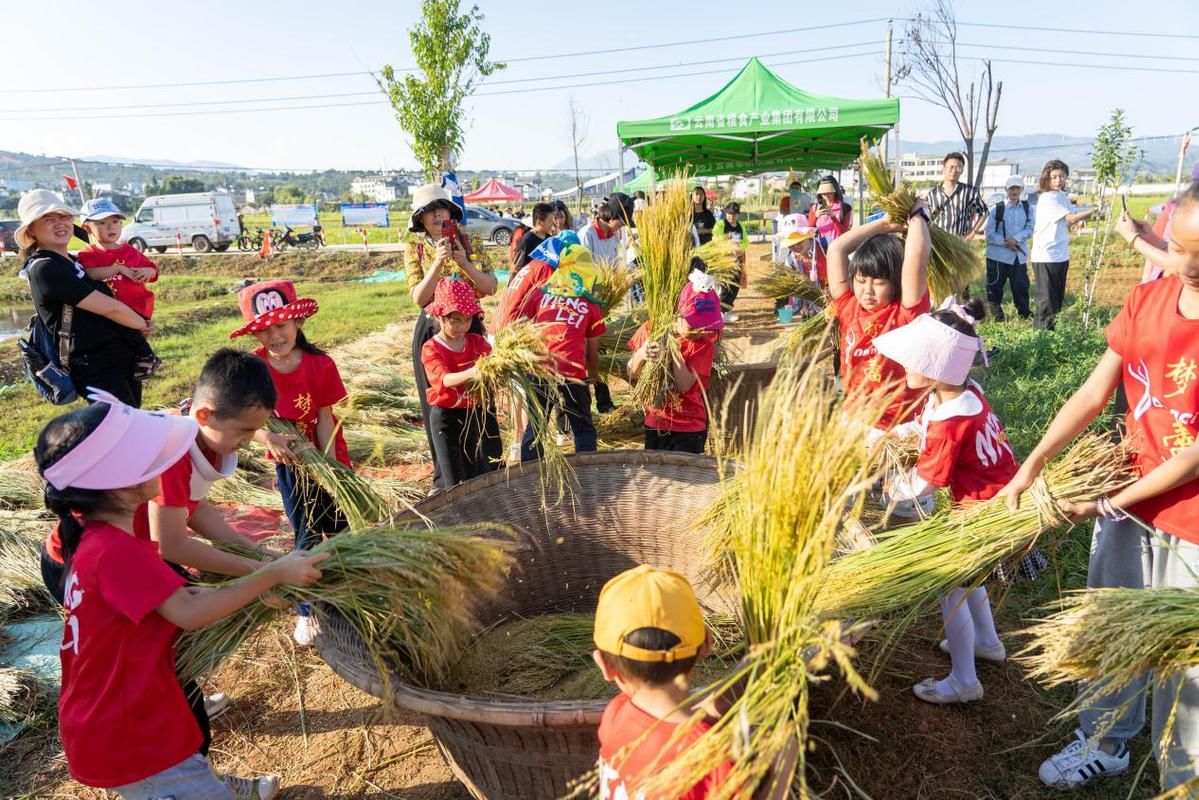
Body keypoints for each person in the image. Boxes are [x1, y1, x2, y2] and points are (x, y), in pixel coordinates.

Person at [1000, 180, 1199, 793]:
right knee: (1110, 621)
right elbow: (1094, 392)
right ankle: (1108, 741)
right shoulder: (1149, 299)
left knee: (1180, 658)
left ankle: (1182, 776)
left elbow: (1192, 456)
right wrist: (1032, 462)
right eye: (1180, 246)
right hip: (1126, 495)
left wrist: (1102, 502)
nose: (1188, 266)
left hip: (1188, 524)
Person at [39, 397, 327, 800]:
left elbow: (180, 597)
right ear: (120, 480)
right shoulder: (113, 551)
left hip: (130, 722)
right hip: (133, 740)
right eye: (149, 455)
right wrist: (271, 574)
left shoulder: (103, 540)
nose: (164, 459)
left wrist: (260, 583)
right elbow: (189, 612)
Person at [873, 298, 1018, 704]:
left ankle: (964, 680)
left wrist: (888, 488)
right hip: (992, 505)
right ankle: (987, 642)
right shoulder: (964, 392)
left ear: (938, 367)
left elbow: (925, 483)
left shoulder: (952, 419)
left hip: (980, 514)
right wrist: (891, 435)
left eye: (913, 361)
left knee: (949, 588)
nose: (905, 368)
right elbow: (924, 426)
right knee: (972, 582)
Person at [231, 280, 350, 646]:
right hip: (290, 466)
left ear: (297, 322)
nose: (275, 335)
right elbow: (244, 423)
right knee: (306, 534)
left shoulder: (320, 364)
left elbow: (326, 418)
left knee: (343, 528)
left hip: (328, 458)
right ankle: (308, 611)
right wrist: (269, 438)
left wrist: (331, 471)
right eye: (265, 329)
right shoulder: (254, 368)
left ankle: (352, 592)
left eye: (281, 325)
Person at [592, 564, 732, 799]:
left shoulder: (614, 716)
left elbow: (663, 727)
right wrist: (783, 761)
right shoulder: (711, 756)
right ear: (707, 643)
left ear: (605, 665)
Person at [17, 190, 156, 406]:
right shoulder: (46, 269)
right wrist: (142, 323)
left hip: (119, 354)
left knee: (132, 419)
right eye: (48, 219)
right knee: (121, 428)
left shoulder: (76, 263)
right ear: (32, 230)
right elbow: (110, 308)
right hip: (94, 364)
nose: (59, 224)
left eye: (63, 217)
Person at [406, 184, 498, 485]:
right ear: (420, 220)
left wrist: (462, 261)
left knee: (479, 392)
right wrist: (436, 261)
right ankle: (445, 473)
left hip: (469, 326)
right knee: (440, 400)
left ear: (450, 213)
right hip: (433, 329)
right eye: (428, 212)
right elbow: (419, 297)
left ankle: (486, 463)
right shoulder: (415, 248)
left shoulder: (469, 242)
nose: (436, 215)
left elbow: (490, 286)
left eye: (441, 209)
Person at [827, 204, 932, 432]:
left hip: (901, 428)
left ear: (896, 283)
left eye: (879, 283)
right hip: (855, 421)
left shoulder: (906, 313)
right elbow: (836, 250)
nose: (868, 291)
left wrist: (917, 217)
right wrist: (884, 224)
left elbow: (916, 258)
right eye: (861, 280)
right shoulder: (848, 306)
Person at [516, 245, 605, 460]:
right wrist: (594, 377)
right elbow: (593, 352)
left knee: (536, 427)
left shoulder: (539, 294)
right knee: (583, 428)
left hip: (538, 369)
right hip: (572, 374)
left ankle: (529, 476)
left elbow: (522, 326)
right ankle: (588, 474)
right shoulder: (590, 306)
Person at [627, 270, 723, 453]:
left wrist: (673, 350)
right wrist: (641, 354)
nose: (700, 330)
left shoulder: (703, 344)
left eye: (705, 326)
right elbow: (631, 373)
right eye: (694, 325)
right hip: (655, 422)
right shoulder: (650, 330)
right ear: (679, 313)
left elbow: (684, 385)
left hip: (689, 427)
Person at [420, 278, 502, 488]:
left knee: (477, 470)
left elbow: (493, 363)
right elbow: (444, 380)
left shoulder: (475, 342)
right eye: (455, 320)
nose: (462, 326)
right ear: (440, 316)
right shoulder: (431, 348)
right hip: (446, 419)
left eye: (467, 320)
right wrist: (475, 371)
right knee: (453, 480)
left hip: (473, 414)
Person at [1030, 159, 1095, 330]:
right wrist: (1095, 211)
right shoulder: (1047, 198)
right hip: (1045, 256)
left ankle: (1052, 335)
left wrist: (1079, 222)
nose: (1058, 180)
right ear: (1047, 178)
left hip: (1060, 255)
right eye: (1054, 177)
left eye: (1062, 176)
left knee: (1057, 300)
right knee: (1046, 301)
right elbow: (1072, 218)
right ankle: (1041, 338)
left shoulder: (1061, 196)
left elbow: (1072, 218)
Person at [983, 176, 1034, 320]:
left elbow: (1030, 228)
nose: (1014, 191)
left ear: (1022, 189)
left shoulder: (1027, 208)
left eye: (1017, 188)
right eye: (1012, 188)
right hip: (998, 256)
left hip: (1018, 255)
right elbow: (989, 234)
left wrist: (1016, 239)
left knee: (1021, 287)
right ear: (1006, 190)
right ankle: (996, 317)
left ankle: (1024, 314)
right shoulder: (997, 209)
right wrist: (1006, 242)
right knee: (995, 287)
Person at [926, 152, 988, 240]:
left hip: (960, 243)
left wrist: (972, 234)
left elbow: (984, 212)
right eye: (951, 167)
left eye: (958, 167)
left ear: (962, 170)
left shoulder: (969, 192)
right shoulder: (932, 194)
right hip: (939, 243)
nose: (954, 171)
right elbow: (927, 220)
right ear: (944, 169)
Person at [808, 175, 854, 286]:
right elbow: (808, 231)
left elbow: (844, 233)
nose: (826, 196)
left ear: (835, 191)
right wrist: (816, 216)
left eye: (829, 193)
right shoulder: (815, 208)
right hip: (819, 250)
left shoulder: (845, 208)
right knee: (822, 280)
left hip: (838, 249)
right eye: (823, 194)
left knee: (838, 280)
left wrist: (833, 217)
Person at [711, 202, 749, 322]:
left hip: (736, 260)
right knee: (725, 287)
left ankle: (727, 309)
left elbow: (746, 241)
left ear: (738, 215)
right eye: (729, 214)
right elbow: (715, 237)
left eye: (734, 214)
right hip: (724, 261)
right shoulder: (721, 224)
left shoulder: (740, 226)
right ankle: (721, 311)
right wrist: (728, 245)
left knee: (735, 286)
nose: (731, 216)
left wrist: (739, 248)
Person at [579, 193, 634, 264]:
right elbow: (585, 267)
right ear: (611, 216)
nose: (623, 225)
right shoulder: (587, 234)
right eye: (622, 222)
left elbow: (616, 262)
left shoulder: (613, 235)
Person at [511, 202, 555, 269]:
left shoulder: (549, 239)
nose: (552, 224)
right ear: (539, 222)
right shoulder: (527, 241)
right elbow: (516, 267)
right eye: (550, 221)